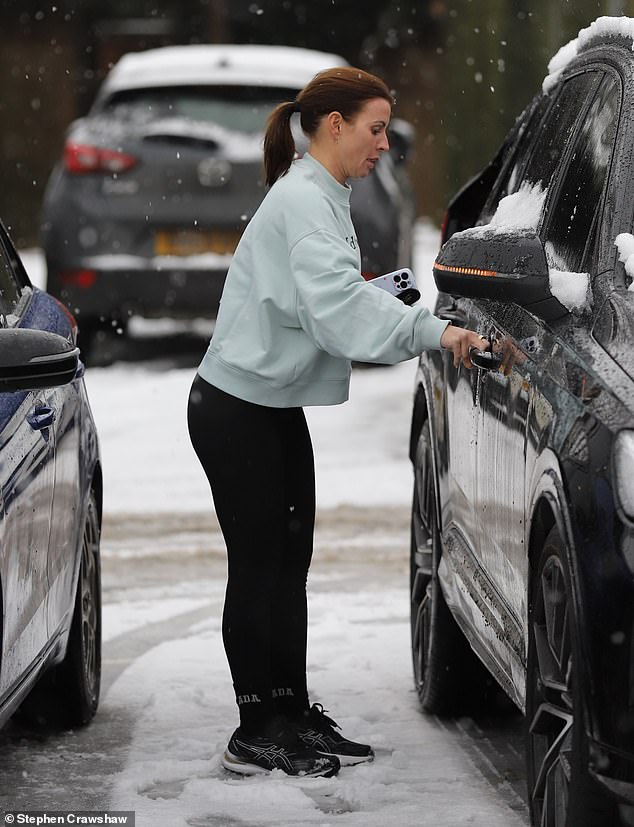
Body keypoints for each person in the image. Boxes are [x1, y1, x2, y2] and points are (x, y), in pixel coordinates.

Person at [187, 65, 485, 779]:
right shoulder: (303, 201)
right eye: (376, 129)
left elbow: (324, 297)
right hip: (236, 410)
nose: (384, 144)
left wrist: (379, 302)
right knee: (259, 569)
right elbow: (337, 313)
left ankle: (289, 712)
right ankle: (254, 727)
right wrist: (429, 328)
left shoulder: (323, 195)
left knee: (290, 567)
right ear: (336, 125)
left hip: (269, 405)